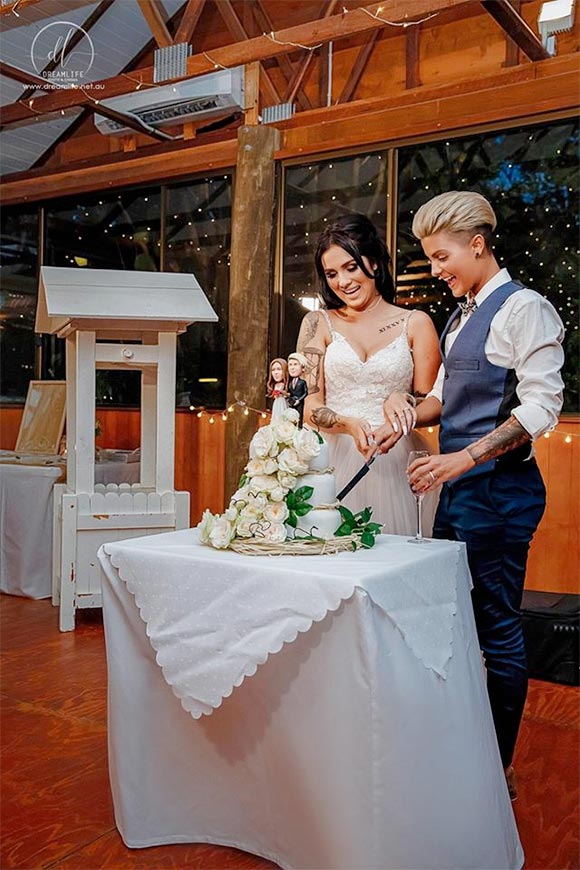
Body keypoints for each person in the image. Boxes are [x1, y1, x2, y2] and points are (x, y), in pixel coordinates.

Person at [377, 190, 565, 799]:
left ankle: (497, 772)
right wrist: (410, 409)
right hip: (459, 494)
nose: (435, 271)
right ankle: (463, 746)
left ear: (477, 244)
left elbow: (541, 407)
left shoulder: (524, 309)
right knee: (452, 621)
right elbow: (449, 401)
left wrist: (463, 457)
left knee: (498, 631)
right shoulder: (463, 314)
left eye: (440, 257)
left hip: (502, 496)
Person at [296, 212, 441, 535]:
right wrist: (347, 424)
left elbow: (433, 401)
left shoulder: (415, 323)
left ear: (374, 263)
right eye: (332, 274)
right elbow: (309, 406)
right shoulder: (316, 324)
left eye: (351, 267)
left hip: (394, 458)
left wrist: (402, 412)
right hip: (329, 458)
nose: (343, 282)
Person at [286, 352, 309, 427]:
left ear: (302, 368)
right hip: (291, 403)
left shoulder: (302, 382)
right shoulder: (290, 383)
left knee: (298, 418)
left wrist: (299, 400)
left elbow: (306, 393)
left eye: (295, 364)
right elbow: (289, 392)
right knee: (290, 418)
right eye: (290, 365)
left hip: (299, 404)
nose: (292, 368)